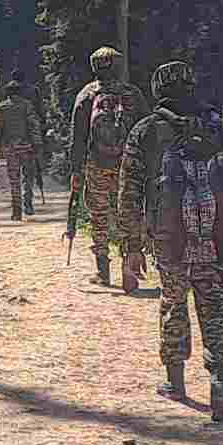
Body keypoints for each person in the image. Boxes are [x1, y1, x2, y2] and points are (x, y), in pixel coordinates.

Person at [117, 60, 223, 422]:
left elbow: (129, 192)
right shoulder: (217, 128)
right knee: (215, 307)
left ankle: (175, 382)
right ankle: (220, 385)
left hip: (169, 238)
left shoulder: (146, 130)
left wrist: (131, 246)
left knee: (173, 302)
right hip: (217, 237)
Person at [68, 46, 150, 289]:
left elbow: (79, 136)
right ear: (118, 65)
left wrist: (76, 170)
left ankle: (103, 270)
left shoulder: (87, 95)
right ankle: (129, 268)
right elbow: (147, 129)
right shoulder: (132, 93)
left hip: (97, 164)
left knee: (99, 216)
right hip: (128, 165)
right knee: (129, 215)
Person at [0, 81, 41, 221]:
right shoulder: (27, 106)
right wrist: (37, 143)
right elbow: (34, 125)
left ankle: (16, 210)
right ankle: (28, 202)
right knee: (28, 177)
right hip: (27, 147)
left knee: (14, 180)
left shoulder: (1, 108)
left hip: (10, 148)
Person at [11, 69, 48, 214]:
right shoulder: (34, 90)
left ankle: (17, 205)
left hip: (13, 138)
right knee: (29, 173)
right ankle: (28, 202)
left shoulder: (9, 91)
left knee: (15, 175)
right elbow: (40, 112)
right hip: (31, 137)